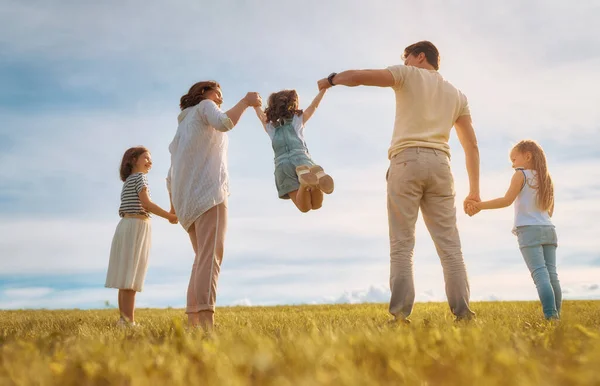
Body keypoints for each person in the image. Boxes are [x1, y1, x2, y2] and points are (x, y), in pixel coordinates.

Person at [318, 41, 479, 322]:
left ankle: (401, 317)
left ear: (419, 57)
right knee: (451, 246)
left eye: (406, 58)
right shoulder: (457, 95)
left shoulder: (407, 75)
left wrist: (331, 80)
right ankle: (463, 314)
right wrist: (474, 191)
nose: (403, 63)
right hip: (441, 165)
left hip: (406, 161)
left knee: (402, 245)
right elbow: (471, 146)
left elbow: (358, 77)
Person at [166, 81, 262, 330]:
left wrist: (174, 206)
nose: (220, 99)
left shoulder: (182, 128)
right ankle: (207, 324)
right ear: (203, 94)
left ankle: (192, 323)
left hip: (187, 202)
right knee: (210, 258)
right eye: (217, 94)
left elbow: (170, 175)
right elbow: (225, 123)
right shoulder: (204, 107)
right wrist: (246, 101)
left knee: (201, 259)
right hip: (209, 195)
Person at [467, 140, 560, 320]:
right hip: (548, 229)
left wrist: (479, 206)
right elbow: (550, 210)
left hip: (528, 230)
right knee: (552, 275)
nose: (512, 164)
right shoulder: (546, 178)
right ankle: (557, 316)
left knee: (540, 274)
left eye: (514, 159)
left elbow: (506, 200)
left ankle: (551, 317)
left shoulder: (521, 175)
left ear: (527, 156)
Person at [105, 146, 178, 326]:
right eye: (146, 158)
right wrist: (170, 216)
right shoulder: (140, 178)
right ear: (133, 159)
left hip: (125, 226)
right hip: (136, 226)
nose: (150, 162)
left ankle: (123, 321)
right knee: (131, 276)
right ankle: (129, 322)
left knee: (125, 277)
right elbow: (147, 204)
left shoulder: (129, 180)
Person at [252, 88, 334, 212]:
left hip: (283, 165)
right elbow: (314, 105)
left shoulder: (270, 126)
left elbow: (260, 115)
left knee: (304, 207)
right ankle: (315, 177)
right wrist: (323, 90)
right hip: (303, 160)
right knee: (316, 205)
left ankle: (305, 182)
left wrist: (255, 105)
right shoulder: (298, 120)